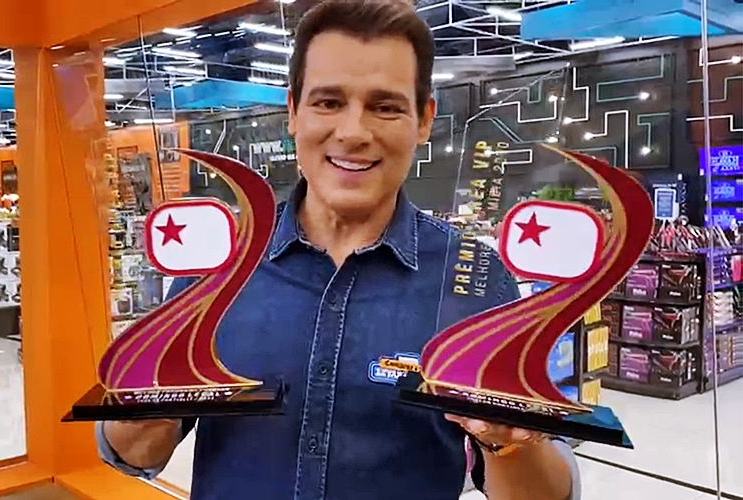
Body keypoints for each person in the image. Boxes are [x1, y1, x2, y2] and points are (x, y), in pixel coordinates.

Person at [97, 1, 582, 499]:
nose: (352, 133)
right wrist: (150, 404)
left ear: (423, 120)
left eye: (385, 106)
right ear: (293, 112)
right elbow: (132, 454)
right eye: (328, 102)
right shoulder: (219, 265)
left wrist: (509, 443)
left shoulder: (475, 281)